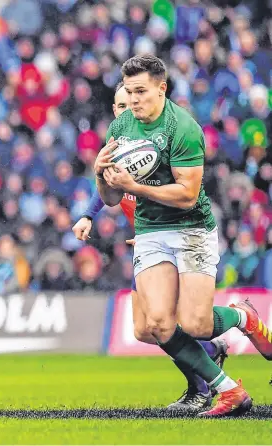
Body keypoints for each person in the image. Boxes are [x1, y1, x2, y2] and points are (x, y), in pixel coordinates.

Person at [94, 55, 271, 417]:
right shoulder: (121, 128)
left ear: (162, 88)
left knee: (196, 324)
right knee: (157, 324)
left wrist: (135, 187)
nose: (135, 100)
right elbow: (111, 198)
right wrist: (101, 174)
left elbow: (188, 194)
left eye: (141, 91)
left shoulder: (184, 128)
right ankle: (228, 390)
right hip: (150, 232)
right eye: (129, 92)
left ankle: (241, 317)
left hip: (191, 227)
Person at [73, 81, 229, 412]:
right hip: (147, 245)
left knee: (167, 325)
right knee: (144, 331)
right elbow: (106, 189)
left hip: (174, 242)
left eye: (129, 105)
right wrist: (87, 215)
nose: (124, 111)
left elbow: (186, 191)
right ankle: (209, 352)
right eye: (118, 107)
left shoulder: (153, 150)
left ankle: (201, 387)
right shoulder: (122, 151)